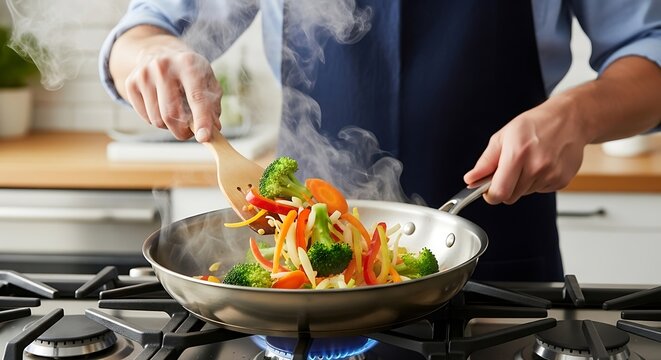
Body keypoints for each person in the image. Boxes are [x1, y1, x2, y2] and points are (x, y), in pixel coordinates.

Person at [100, 0, 661, 282]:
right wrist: (149, 54)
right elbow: (146, 28)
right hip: (307, 276)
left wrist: (577, 113)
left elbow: (650, 53)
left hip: (500, 262)